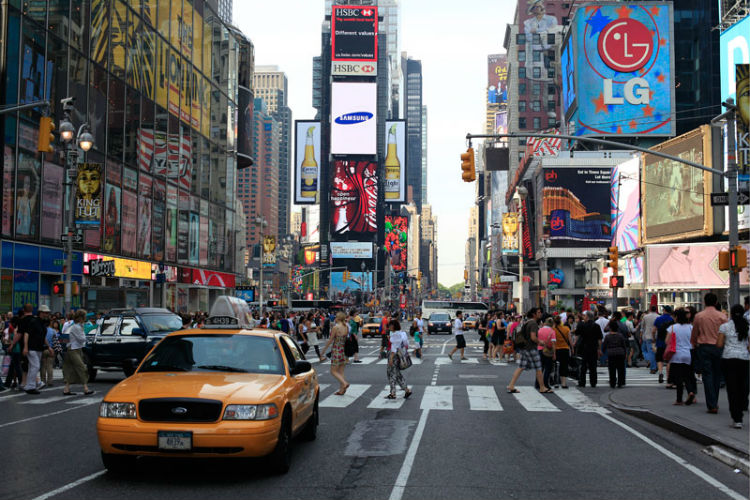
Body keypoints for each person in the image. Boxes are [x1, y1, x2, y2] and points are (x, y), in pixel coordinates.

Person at [691, 293, 727, 414]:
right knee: (717, 375)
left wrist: (694, 343)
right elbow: (726, 334)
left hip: (704, 347)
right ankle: (714, 401)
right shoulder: (722, 316)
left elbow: (694, 333)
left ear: (705, 302)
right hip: (718, 347)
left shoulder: (699, 316)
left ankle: (711, 404)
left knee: (707, 375)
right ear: (716, 302)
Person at [506, 308, 552, 394]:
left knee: (521, 367)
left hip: (524, 347)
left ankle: (511, 385)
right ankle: (542, 387)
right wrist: (541, 342)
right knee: (538, 367)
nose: (540, 314)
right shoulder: (533, 323)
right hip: (531, 348)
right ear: (534, 314)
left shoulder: (527, 322)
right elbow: (533, 337)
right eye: (538, 312)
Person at [718, 305, 749, 428]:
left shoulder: (724, 327)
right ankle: (742, 406)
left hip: (729, 359)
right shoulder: (747, 327)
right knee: (743, 386)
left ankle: (737, 419)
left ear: (731, 313)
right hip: (744, 359)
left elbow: (719, 344)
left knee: (732, 388)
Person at [666, 308, 697, 406]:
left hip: (676, 355)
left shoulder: (673, 327)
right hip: (688, 354)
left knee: (678, 378)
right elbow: (694, 341)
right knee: (688, 375)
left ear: (677, 317)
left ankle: (679, 400)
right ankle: (691, 392)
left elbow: (667, 341)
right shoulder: (690, 327)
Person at [20, 304, 53, 394]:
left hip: (38, 348)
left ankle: (29, 386)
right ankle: (30, 386)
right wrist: (26, 347)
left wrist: (49, 346)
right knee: (35, 366)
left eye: (47, 313)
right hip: (32, 347)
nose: (47, 314)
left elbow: (43, 337)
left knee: (32, 367)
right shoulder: (34, 321)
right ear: (41, 313)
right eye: (46, 313)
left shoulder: (42, 323)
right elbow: (26, 334)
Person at [62, 309, 94, 396]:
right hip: (73, 349)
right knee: (82, 368)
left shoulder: (77, 326)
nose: (85, 318)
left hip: (75, 349)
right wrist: (85, 334)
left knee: (71, 369)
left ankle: (67, 389)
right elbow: (82, 339)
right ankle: (85, 388)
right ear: (81, 318)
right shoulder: (76, 327)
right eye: (84, 316)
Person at [322, 312, 349, 395]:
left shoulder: (336, 327)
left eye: (336, 317)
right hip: (343, 350)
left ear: (338, 318)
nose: (334, 318)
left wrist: (323, 351)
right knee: (341, 371)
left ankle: (344, 383)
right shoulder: (346, 326)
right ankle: (341, 390)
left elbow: (330, 340)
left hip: (336, 350)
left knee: (333, 371)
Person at [386, 318, 412, 399]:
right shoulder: (400, 333)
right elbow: (406, 344)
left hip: (394, 355)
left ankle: (393, 393)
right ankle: (406, 390)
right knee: (396, 374)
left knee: (391, 374)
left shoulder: (395, 335)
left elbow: (394, 347)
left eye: (390, 325)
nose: (389, 327)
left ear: (394, 326)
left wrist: (391, 358)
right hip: (398, 355)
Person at [577, 311, 603, 388]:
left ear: (587, 317)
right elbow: (599, 339)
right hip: (593, 348)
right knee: (593, 366)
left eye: (584, 316)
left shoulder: (582, 325)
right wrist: (599, 349)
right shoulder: (596, 326)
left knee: (583, 366)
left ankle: (582, 382)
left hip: (584, 348)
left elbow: (577, 334)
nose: (583, 317)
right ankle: (593, 382)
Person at [602, 319, 627, 388]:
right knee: (620, 369)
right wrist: (625, 353)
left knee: (612, 369)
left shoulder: (607, 336)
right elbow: (623, 345)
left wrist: (603, 352)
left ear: (610, 328)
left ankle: (612, 382)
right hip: (620, 353)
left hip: (611, 354)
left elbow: (604, 346)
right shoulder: (620, 336)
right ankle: (620, 382)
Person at [654, 306, 675, 384]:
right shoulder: (672, 319)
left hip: (660, 341)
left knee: (659, 358)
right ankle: (668, 377)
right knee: (669, 359)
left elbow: (653, 330)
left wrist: (653, 338)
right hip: (669, 342)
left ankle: (660, 372)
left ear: (664, 310)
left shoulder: (658, 319)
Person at [536, 317, 557, 390]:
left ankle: (537, 383)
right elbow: (553, 343)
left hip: (539, 349)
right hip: (548, 351)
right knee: (548, 368)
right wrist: (554, 353)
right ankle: (545, 383)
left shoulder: (540, 330)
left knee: (540, 368)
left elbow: (537, 340)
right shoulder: (552, 331)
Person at [553, 315, 572, 389]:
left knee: (556, 366)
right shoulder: (566, 328)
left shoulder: (553, 329)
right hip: (565, 349)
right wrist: (572, 348)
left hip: (556, 349)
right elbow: (570, 340)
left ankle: (556, 383)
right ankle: (563, 383)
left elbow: (553, 341)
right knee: (564, 365)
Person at [41, 310, 58, 387]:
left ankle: (43, 381)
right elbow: (56, 341)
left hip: (43, 349)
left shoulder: (41, 330)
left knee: (43, 366)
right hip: (51, 349)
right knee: (50, 366)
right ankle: (50, 381)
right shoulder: (53, 331)